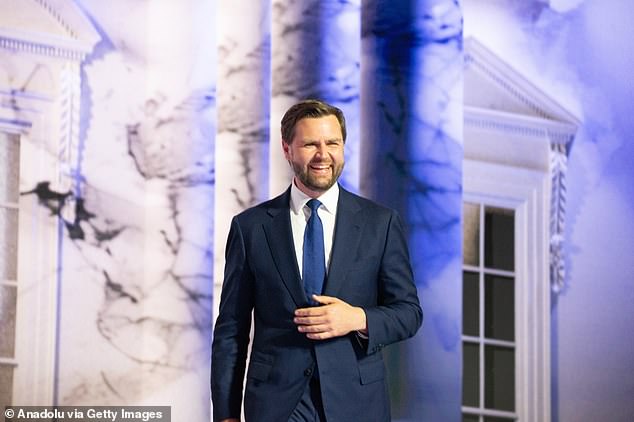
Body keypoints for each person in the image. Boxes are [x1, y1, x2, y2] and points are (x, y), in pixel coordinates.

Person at [211, 99, 422, 422]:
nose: (323, 155)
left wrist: (357, 319)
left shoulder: (380, 223)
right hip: (275, 403)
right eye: (311, 144)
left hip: (357, 402)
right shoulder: (250, 227)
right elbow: (231, 330)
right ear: (287, 149)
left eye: (332, 143)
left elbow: (408, 313)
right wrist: (226, 414)